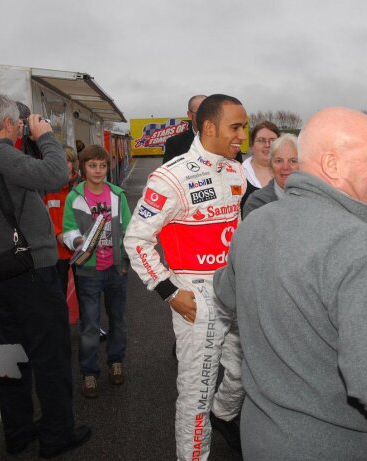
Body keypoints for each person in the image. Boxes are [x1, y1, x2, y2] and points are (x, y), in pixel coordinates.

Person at [213, 107, 367, 461]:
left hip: (261, 438)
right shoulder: (364, 251)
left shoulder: (255, 224)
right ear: (333, 165)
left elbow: (225, 292)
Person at [0, 94, 91, 459]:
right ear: (5, 124)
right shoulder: (1, 154)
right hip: (30, 270)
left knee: (9, 356)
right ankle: (57, 434)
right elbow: (57, 174)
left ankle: (17, 433)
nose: (22, 128)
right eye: (19, 123)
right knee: (50, 354)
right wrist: (46, 135)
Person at [124, 94, 247, 461]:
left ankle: (223, 416)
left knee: (245, 372)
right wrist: (169, 291)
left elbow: (235, 230)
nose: (242, 134)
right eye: (236, 127)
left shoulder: (235, 170)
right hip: (196, 297)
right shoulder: (169, 177)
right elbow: (136, 240)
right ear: (209, 127)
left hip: (234, 292)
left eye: (244, 126)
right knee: (197, 394)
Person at [62, 144, 132, 395]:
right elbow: (68, 230)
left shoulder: (117, 195)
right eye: (92, 165)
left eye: (103, 165)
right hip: (88, 273)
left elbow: (128, 230)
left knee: (118, 320)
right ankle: (89, 372)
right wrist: (77, 241)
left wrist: (124, 261)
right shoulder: (74, 197)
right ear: (83, 168)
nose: (98, 170)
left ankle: (115, 361)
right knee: (90, 325)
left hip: (115, 270)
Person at [43, 145, 80, 296]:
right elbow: (44, 216)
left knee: (84, 293)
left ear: (73, 163)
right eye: (59, 162)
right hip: (57, 250)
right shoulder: (46, 187)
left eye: (67, 161)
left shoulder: (82, 186)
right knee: (59, 294)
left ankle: (87, 320)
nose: (63, 165)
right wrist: (58, 234)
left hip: (79, 247)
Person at [242, 133, 298, 218]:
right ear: (271, 166)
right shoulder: (256, 203)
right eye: (279, 161)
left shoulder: (315, 198)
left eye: (293, 161)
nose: (285, 167)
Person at [241, 121, 280, 207]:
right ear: (252, 145)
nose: (267, 145)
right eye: (261, 140)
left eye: (272, 141)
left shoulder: (288, 173)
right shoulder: (238, 174)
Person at [163, 94, 207, 164]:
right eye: (200, 113)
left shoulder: (222, 141)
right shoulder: (174, 144)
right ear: (189, 115)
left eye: (208, 112)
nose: (205, 117)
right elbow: (167, 173)